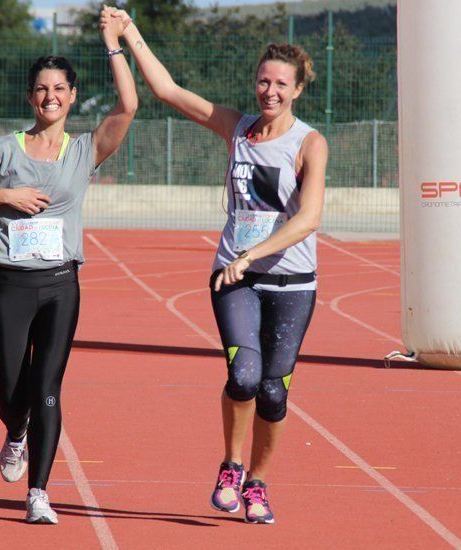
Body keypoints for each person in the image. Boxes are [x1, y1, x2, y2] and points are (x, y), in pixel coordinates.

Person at [101, 7, 327, 524]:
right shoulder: (237, 128)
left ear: (297, 90)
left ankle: (259, 482)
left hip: (292, 283)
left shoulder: (310, 144)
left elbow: (309, 218)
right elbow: (167, 90)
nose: (269, 91)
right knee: (244, 375)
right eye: (263, 81)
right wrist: (128, 30)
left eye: (280, 84)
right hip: (235, 276)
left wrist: (255, 252)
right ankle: (231, 463)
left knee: (273, 391)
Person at [0, 17, 137, 524]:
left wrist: (113, 44)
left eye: (59, 89)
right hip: (8, 286)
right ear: (31, 97)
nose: (50, 96)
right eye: (42, 89)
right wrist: (6, 194)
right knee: (12, 395)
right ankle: (15, 431)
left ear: (72, 96)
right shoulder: (2, 150)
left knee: (48, 386)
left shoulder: (85, 150)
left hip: (59, 287)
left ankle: (39, 493)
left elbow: (129, 106)